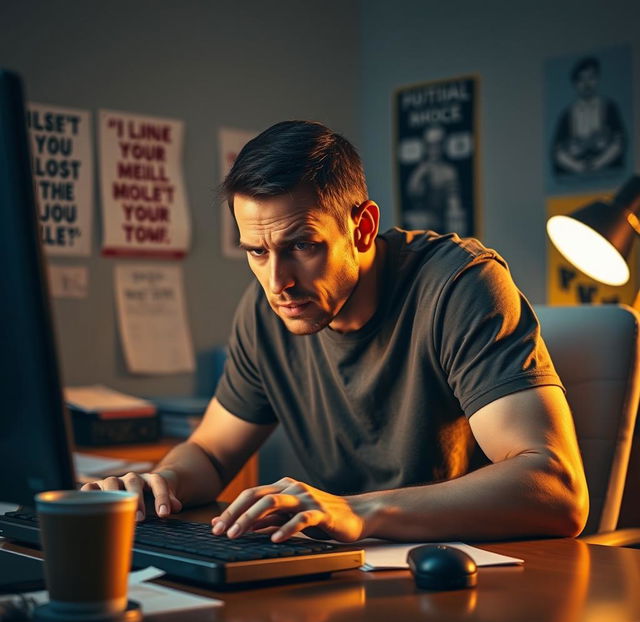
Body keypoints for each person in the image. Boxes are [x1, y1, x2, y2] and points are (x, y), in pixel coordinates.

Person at [82, 120, 588, 543]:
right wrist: (162, 482)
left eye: (302, 245)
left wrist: (356, 513)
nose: (278, 282)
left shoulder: (460, 285)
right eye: (256, 252)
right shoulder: (267, 312)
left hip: (471, 580)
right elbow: (212, 453)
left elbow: (556, 487)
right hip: (337, 573)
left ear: (363, 227)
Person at [552, 56, 626, 176]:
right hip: (574, 179)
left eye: (591, 78)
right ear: (575, 83)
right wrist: (577, 166)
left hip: (609, 172)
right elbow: (558, 152)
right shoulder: (566, 115)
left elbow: (619, 142)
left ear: (597, 79)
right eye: (581, 79)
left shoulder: (609, 108)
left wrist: (599, 163)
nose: (587, 84)